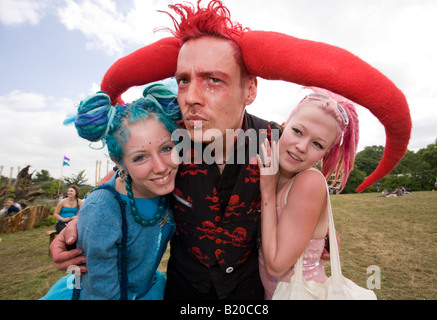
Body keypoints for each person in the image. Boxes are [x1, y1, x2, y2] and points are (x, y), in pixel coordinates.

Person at [49, 0, 410, 300]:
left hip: (248, 291)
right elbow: (130, 174)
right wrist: (79, 222)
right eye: (184, 80)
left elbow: (306, 189)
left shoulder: (277, 141)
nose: (190, 97)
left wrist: (323, 233)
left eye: (213, 80)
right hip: (183, 289)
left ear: (249, 89)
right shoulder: (168, 141)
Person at [41, 83, 181, 299]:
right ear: (119, 163)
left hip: (148, 288)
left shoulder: (172, 184)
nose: (161, 167)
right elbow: (100, 292)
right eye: (140, 157)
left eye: (166, 148)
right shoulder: (102, 210)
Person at [257, 88, 359, 299]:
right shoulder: (269, 163)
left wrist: (267, 192)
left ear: (326, 152)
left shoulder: (309, 181)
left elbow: (276, 266)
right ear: (284, 125)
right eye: (298, 131)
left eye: (317, 144)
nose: (301, 146)